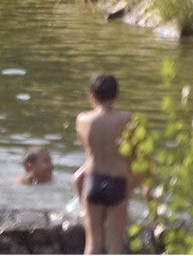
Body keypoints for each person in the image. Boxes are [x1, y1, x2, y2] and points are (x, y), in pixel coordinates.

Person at [75, 74, 137, 255]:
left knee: (93, 243)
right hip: (117, 180)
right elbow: (134, 155)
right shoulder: (128, 119)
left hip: (93, 180)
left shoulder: (82, 119)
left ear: (92, 95)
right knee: (113, 244)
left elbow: (87, 152)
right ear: (116, 96)